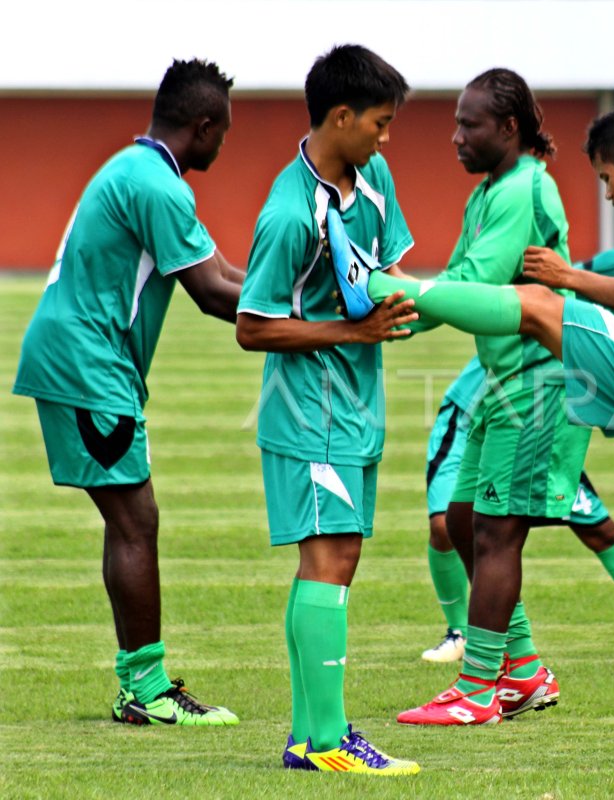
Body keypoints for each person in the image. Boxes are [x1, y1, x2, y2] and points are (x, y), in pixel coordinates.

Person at [368, 104, 614, 771]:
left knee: (535, 306)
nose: (611, 195)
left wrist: (568, 278)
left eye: (609, 179)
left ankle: (387, 285)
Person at [12, 59, 243, 727]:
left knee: (131, 519)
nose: (225, 144)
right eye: (222, 131)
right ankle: (145, 689)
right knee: (135, 520)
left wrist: (290, 289)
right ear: (201, 127)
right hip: (88, 364)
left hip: (83, 358)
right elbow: (212, 295)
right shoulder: (158, 187)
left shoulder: (137, 170)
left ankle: (140, 684)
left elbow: (222, 269)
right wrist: (317, 325)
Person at [234, 44, 420, 776]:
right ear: (339, 116)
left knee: (336, 561)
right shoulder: (288, 214)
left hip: (355, 406)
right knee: (329, 557)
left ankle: (308, 737)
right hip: (308, 412)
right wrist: (354, 331)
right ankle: (329, 739)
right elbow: (252, 324)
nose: (386, 136)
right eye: (379, 122)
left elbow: (387, 273)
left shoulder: (374, 179)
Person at [392, 68, 592, 727]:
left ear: (508, 128)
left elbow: (474, 286)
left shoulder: (526, 188)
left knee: (499, 532)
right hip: (504, 383)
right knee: (461, 520)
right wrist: (387, 319)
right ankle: (526, 669)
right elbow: (456, 282)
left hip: (539, 382)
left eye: (467, 124)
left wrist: (397, 291)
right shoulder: (489, 194)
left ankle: (478, 690)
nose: (454, 136)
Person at [419, 256, 614, 664]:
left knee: (598, 530)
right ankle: (460, 633)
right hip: (472, 416)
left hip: (538, 428)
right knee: (447, 526)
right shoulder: (604, 273)